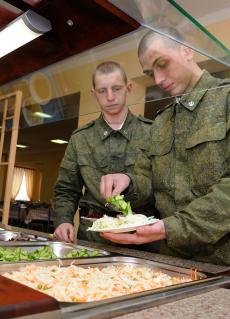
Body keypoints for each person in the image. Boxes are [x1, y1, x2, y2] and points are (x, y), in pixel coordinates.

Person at [99, 29, 230, 275]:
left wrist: (174, 228)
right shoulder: (161, 122)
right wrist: (128, 183)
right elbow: (148, 183)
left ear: (187, 50)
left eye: (163, 64)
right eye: (151, 73)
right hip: (174, 259)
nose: (159, 80)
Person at [53, 61, 154, 243]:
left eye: (116, 88)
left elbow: (163, 186)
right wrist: (63, 220)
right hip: (93, 235)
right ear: (94, 94)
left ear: (128, 88)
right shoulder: (80, 138)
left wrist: (132, 183)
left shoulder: (152, 132)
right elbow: (66, 189)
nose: (110, 97)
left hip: (142, 235)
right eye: (102, 91)